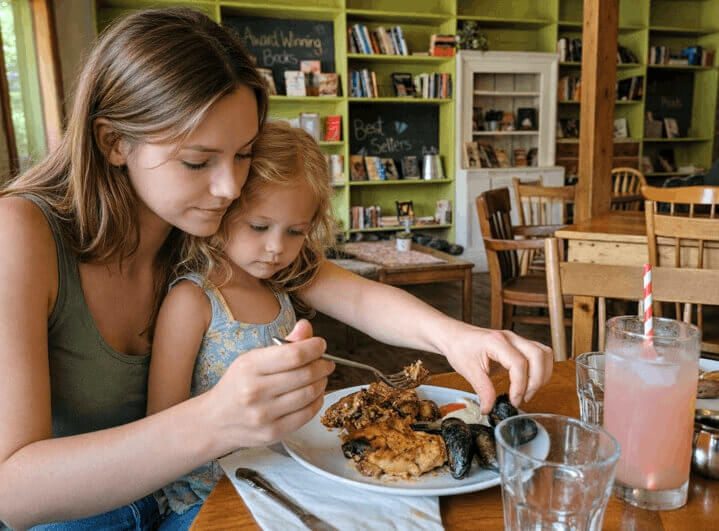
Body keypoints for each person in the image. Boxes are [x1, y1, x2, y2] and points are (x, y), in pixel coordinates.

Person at [0, 7, 551, 529]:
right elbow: (13, 493)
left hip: (214, 497)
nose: (230, 187)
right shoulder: (20, 234)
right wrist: (217, 419)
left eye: (241, 154)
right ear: (115, 141)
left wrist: (457, 336)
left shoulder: (204, 226)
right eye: (198, 160)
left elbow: (352, 295)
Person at [147, 120, 553, 523]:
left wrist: (459, 337)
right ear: (223, 208)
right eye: (259, 226)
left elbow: (362, 298)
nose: (276, 248)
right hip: (208, 499)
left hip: (282, 476)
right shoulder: (192, 300)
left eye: (295, 231)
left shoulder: (280, 281)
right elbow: (161, 432)